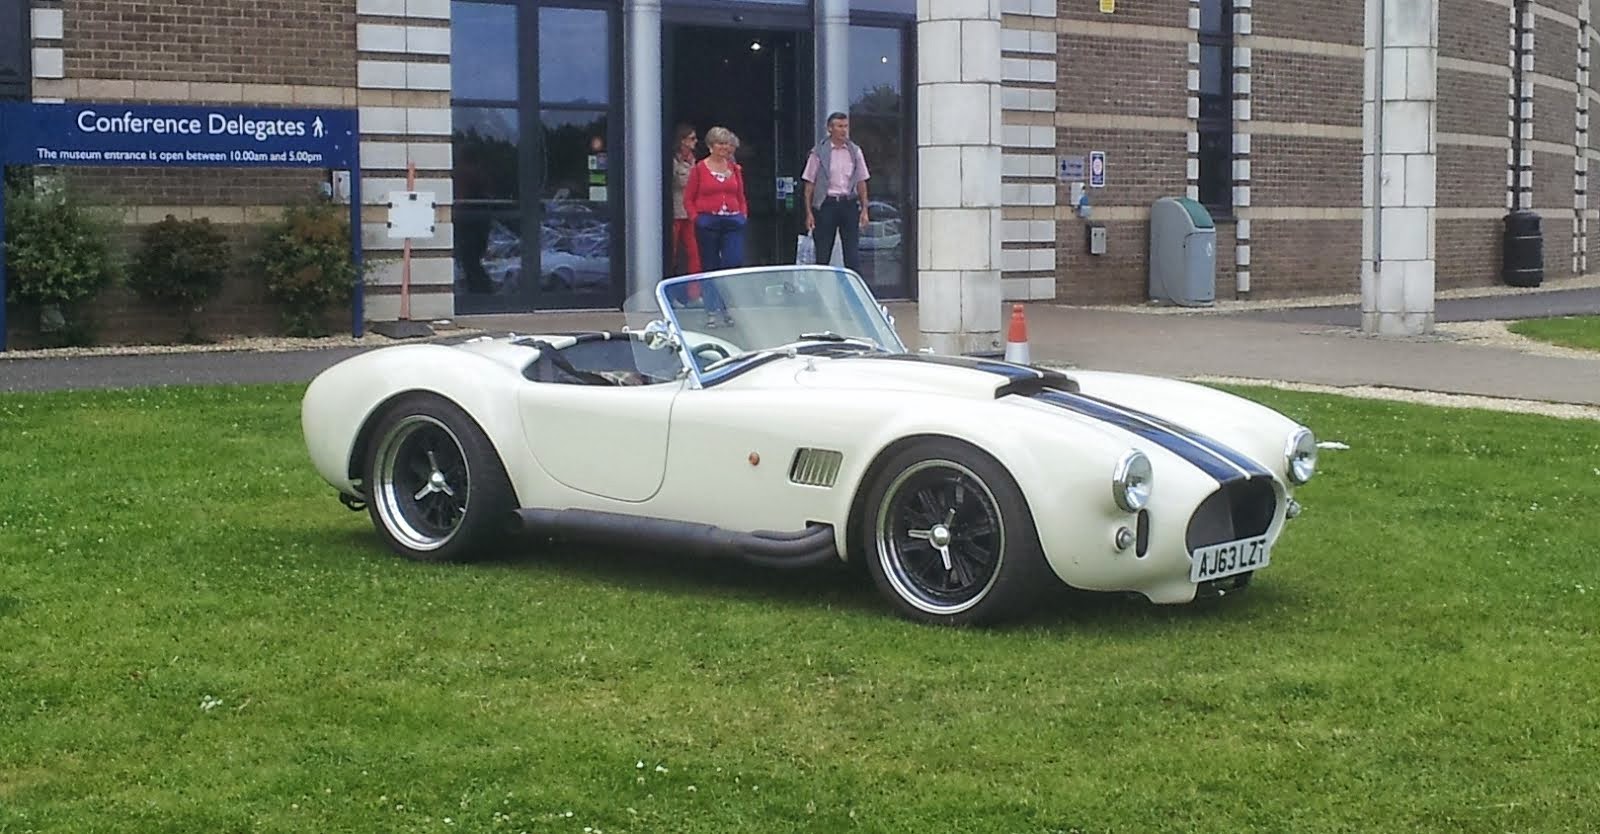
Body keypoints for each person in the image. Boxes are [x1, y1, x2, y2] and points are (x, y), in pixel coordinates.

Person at [683, 125, 748, 327]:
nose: (724, 148)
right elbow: (688, 198)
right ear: (711, 146)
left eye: (726, 144)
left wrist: (742, 215)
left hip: (732, 221)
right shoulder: (699, 169)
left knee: (732, 262)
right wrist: (696, 218)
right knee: (709, 266)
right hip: (708, 222)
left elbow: (740, 195)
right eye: (720, 143)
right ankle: (712, 310)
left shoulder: (734, 169)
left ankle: (727, 308)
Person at [801, 111, 870, 272]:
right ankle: (820, 291)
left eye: (845, 126)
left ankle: (851, 292)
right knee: (823, 254)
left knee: (852, 255)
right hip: (826, 204)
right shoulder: (818, 152)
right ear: (830, 129)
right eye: (839, 126)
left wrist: (865, 209)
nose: (843, 130)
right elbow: (809, 184)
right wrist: (809, 212)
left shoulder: (854, 151)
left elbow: (861, 181)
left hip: (848, 203)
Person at [668, 123, 702, 276]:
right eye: (692, 138)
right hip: (676, 211)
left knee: (694, 253)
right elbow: (677, 183)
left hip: (690, 212)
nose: (695, 141)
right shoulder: (673, 161)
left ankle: (694, 292)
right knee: (672, 252)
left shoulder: (694, 161)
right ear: (683, 141)